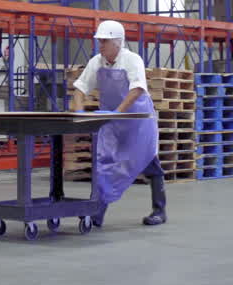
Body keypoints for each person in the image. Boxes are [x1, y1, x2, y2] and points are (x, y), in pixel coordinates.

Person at [68, 20, 163, 227]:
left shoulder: (132, 60)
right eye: (100, 42)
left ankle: (159, 210)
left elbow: (137, 89)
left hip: (137, 121)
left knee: (149, 162)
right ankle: (97, 214)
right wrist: (79, 111)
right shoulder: (97, 62)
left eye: (104, 42)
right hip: (112, 121)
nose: (100, 46)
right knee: (104, 164)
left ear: (118, 43)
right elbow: (80, 88)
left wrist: (118, 112)